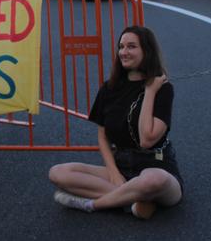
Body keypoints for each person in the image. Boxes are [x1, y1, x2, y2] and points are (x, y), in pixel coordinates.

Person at [48, 25, 183, 219]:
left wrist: (150, 91)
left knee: (154, 180)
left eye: (131, 47)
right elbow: (102, 136)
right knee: (58, 172)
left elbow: (147, 139)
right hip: (122, 165)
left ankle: (91, 204)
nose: (124, 52)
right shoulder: (109, 88)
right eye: (121, 47)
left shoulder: (163, 89)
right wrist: (113, 172)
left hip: (155, 165)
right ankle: (135, 200)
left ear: (147, 50)